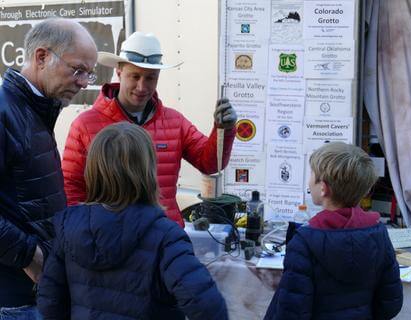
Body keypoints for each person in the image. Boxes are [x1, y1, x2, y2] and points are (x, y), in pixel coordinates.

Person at [37, 122, 228, 320]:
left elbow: (49, 303)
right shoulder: (165, 236)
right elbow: (207, 306)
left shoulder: (69, 228)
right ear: (148, 171)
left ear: (92, 170)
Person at [62, 31, 237, 227]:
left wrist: (224, 130)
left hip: (164, 237)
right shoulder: (85, 125)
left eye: (150, 78)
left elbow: (210, 164)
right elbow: (71, 189)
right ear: (119, 72)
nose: (142, 86)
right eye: (134, 76)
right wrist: (85, 235)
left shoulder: (174, 121)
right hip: (112, 240)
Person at [0, 18, 97, 318]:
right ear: (42, 57)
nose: (83, 82)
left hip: (35, 292)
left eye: (89, 73)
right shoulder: (6, 113)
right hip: (14, 299)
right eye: (77, 70)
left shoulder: (35, 110)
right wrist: (30, 255)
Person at [265, 142, 403, 319]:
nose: (309, 181)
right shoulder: (379, 233)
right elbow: (390, 303)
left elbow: (291, 312)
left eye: (311, 175)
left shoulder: (304, 241)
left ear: (323, 188)